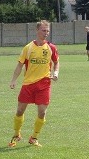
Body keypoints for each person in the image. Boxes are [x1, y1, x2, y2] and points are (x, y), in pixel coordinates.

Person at [9, 20, 60, 148]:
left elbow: (56, 62)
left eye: (48, 31)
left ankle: (34, 137)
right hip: (28, 84)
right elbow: (20, 65)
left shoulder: (51, 47)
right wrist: (13, 80)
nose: (46, 33)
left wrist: (56, 72)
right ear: (37, 31)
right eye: (44, 30)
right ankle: (16, 134)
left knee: (42, 113)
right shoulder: (28, 47)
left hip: (44, 83)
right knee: (20, 110)